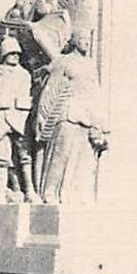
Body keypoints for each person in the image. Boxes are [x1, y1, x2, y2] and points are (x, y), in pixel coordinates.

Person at [37, 31, 108, 204]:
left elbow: (95, 94)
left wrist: (99, 122)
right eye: (83, 39)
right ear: (75, 41)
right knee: (61, 154)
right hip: (67, 112)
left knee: (82, 158)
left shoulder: (90, 66)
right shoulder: (64, 61)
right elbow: (50, 89)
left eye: (89, 40)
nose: (87, 43)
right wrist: (42, 117)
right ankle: (50, 191)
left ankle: (73, 194)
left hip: (86, 116)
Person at [0, 37, 38, 204]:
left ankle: (30, 191)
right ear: (4, 54)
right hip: (2, 116)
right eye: (11, 53)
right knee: (2, 156)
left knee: (25, 156)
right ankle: (0, 193)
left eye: (17, 53)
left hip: (21, 117)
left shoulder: (25, 74)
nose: (15, 56)